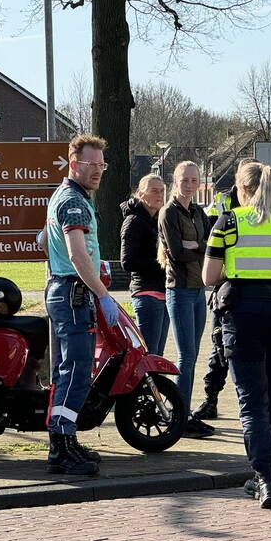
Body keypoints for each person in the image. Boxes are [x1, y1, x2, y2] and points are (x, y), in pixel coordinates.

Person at [202, 162, 271, 510]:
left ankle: (264, 477)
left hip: (243, 314)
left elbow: (208, 276)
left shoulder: (229, 222)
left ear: (241, 187)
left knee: (251, 401)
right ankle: (269, 474)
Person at [42, 133, 119, 476]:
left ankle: (65, 441)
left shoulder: (68, 197)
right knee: (76, 371)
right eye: (91, 164)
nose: (98, 171)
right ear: (74, 164)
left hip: (65, 291)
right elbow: (76, 253)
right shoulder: (73, 202)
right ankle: (61, 446)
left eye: (102, 165)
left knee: (68, 370)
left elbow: (45, 239)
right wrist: (102, 293)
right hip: (74, 294)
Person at [193, 156, 258, 421]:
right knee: (220, 345)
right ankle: (211, 398)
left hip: (258, 284)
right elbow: (205, 240)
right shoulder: (220, 203)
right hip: (226, 286)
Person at [158, 161, 214, 439]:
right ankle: (180, 416)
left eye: (194, 180)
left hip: (198, 290)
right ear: (175, 180)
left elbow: (212, 245)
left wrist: (198, 246)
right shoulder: (168, 212)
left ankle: (184, 414)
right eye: (185, 180)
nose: (189, 185)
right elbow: (178, 253)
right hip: (179, 289)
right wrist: (197, 249)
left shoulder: (198, 211)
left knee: (192, 357)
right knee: (186, 356)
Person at [120, 174, 169, 357]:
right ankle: (144, 386)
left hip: (164, 292)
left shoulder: (159, 219)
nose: (159, 195)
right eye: (154, 191)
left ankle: (155, 386)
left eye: (162, 191)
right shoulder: (133, 221)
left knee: (157, 354)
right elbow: (127, 261)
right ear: (141, 194)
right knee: (149, 354)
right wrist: (163, 264)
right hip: (146, 292)